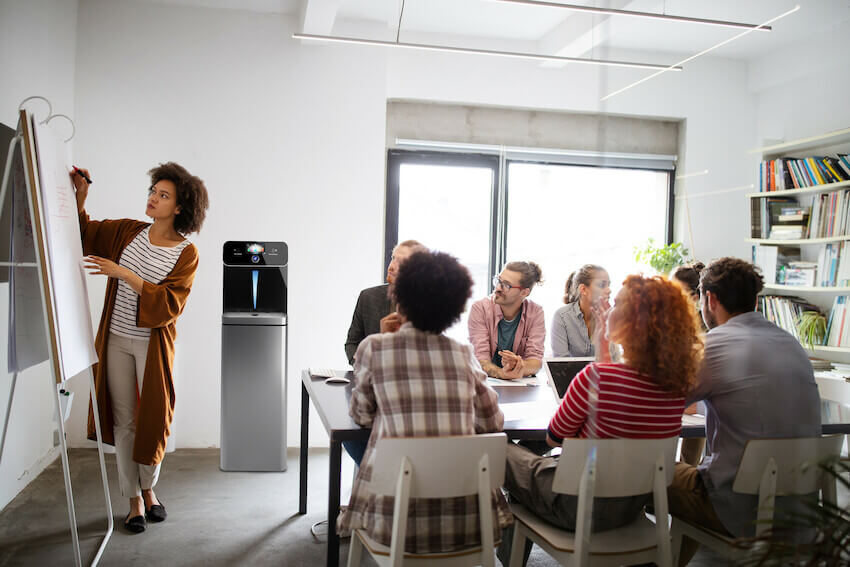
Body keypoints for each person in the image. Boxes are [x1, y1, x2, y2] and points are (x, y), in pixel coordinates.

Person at [499, 275, 703, 566]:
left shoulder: (595, 378)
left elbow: (554, 437)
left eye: (617, 304)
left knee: (503, 447)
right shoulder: (675, 388)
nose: (606, 306)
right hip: (631, 507)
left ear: (633, 321)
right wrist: (605, 346)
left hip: (574, 507)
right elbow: (622, 397)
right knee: (529, 467)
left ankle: (506, 556)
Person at [337, 251, 511, 554]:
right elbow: (492, 423)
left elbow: (361, 415)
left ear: (399, 298)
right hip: (468, 524)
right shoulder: (462, 353)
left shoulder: (374, 348)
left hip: (393, 525)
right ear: (455, 307)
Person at [72, 163, 209, 534]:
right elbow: (86, 233)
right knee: (124, 421)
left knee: (154, 421)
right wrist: (81, 196)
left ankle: (150, 488)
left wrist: (126, 275)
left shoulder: (186, 253)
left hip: (153, 345)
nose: (153, 198)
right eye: (153, 191)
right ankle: (133, 499)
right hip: (115, 339)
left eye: (163, 196)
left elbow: (169, 304)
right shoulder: (129, 232)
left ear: (179, 207)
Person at [668, 258, 821, 566]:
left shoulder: (714, 345)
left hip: (738, 510)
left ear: (709, 299)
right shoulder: (790, 343)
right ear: (754, 300)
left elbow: (659, 403)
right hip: (801, 511)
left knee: (649, 471)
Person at [344, 239, 426, 365]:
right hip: (371, 378)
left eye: (401, 262)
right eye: (393, 258)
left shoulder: (428, 304)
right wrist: (362, 366)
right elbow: (352, 343)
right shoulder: (368, 297)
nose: (392, 266)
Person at [468, 261, 545, 379]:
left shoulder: (535, 312)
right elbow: (480, 360)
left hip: (519, 387)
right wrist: (502, 373)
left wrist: (519, 365)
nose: (498, 288)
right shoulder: (480, 308)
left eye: (506, 285)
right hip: (486, 382)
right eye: (498, 281)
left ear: (524, 292)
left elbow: (536, 361)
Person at [671, 261, 707, 466]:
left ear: (695, 297)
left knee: (689, 458)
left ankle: (687, 472)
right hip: (672, 401)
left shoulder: (706, 330)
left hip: (694, 405)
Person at [550, 264, 611, 357]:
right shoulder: (562, 316)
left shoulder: (610, 316)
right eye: (602, 285)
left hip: (602, 371)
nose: (609, 290)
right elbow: (561, 363)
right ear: (583, 289)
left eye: (608, 285)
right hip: (571, 372)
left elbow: (614, 359)